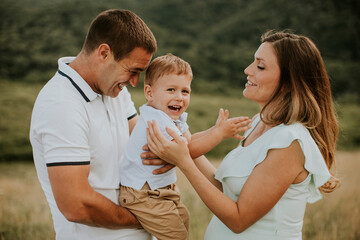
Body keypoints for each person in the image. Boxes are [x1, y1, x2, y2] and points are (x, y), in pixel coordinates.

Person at [144, 30, 339, 240]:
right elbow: (225, 190)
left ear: (288, 83)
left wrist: (184, 162)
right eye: (252, 63)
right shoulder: (258, 123)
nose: (248, 70)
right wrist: (187, 147)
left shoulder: (290, 142)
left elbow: (238, 220)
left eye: (260, 66)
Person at [29, 9, 167, 240]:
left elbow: (146, 143)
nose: (134, 82)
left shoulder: (114, 90)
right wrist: (145, 217)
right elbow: (77, 205)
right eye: (132, 71)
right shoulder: (61, 104)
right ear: (104, 53)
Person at [118, 53, 252, 240]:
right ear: (149, 93)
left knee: (183, 218)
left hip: (160, 189)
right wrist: (218, 134)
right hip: (141, 193)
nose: (179, 97)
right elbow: (188, 151)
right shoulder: (156, 120)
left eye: (185, 91)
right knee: (177, 234)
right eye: (171, 90)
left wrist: (215, 129)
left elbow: (188, 141)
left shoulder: (172, 117)